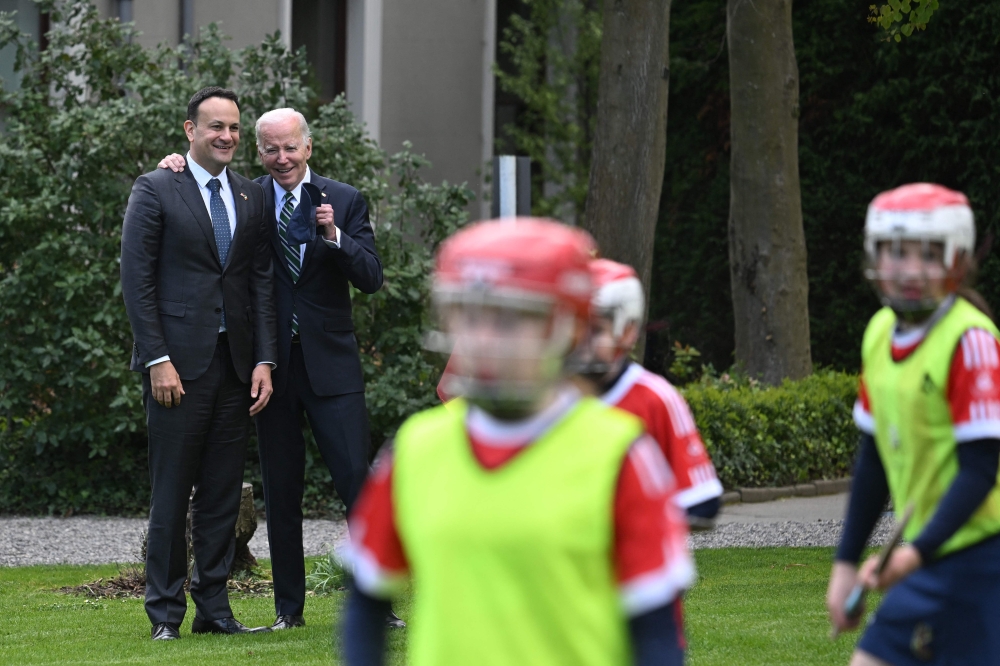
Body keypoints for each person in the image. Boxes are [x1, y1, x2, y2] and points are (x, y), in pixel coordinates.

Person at [342, 218, 695, 666]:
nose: (484, 339)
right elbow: (366, 603)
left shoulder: (618, 455)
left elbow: (656, 633)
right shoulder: (415, 451)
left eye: (510, 319)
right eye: (468, 316)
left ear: (565, 328)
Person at [158, 107, 388, 630]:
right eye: (270, 149)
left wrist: (335, 238)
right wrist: (173, 163)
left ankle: (376, 605)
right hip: (270, 369)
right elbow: (198, 191)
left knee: (358, 485)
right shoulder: (250, 198)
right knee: (281, 493)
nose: (281, 158)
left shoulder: (344, 200)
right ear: (259, 152)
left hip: (333, 372)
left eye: (290, 147)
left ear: (308, 147)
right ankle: (290, 611)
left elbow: (372, 276)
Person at [120, 86, 277, 641]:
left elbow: (258, 282)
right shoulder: (156, 187)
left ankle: (215, 611)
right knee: (171, 493)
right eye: (215, 126)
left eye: (234, 127)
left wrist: (264, 359)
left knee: (219, 494)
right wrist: (157, 359)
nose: (227, 136)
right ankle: (164, 615)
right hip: (176, 370)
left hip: (235, 368)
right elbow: (136, 282)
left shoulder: (250, 195)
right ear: (190, 131)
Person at [826, 183, 1000, 665]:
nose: (909, 271)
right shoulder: (879, 332)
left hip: (981, 560)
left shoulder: (971, 340)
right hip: (930, 557)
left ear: (957, 260)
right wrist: (844, 564)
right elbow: (874, 460)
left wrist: (912, 554)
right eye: (895, 253)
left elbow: (980, 470)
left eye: (927, 254)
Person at [580, 258, 723, 529]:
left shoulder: (655, 399)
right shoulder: (548, 397)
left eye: (596, 330)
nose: (582, 342)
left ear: (628, 331)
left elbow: (701, 501)